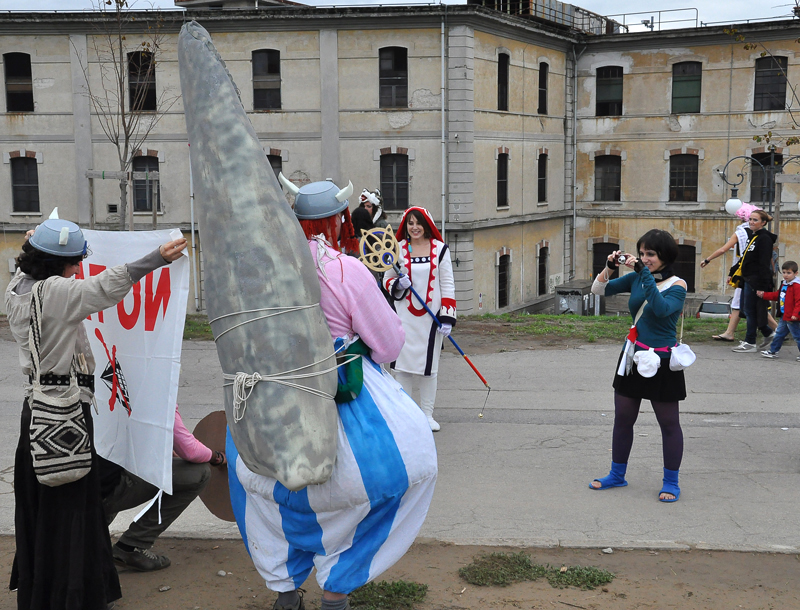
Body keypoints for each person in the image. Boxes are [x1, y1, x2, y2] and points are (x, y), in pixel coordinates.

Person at [231, 180, 437, 610]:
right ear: (340, 220)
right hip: (341, 391)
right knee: (403, 471)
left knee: (262, 489)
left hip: (272, 399)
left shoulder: (262, 267)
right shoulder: (346, 269)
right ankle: (336, 590)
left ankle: (285, 592)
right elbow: (389, 345)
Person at [5, 218, 186, 610]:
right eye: (73, 262)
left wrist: (35, 242)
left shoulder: (17, 286)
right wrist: (156, 258)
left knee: (42, 508)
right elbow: (104, 286)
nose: (77, 268)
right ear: (54, 265)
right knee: (71, 510)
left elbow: (34, 264)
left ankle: (45, 592)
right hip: (65, 413)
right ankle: (73, 596)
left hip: (35, 411)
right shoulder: (56, 292)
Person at [589, 229, 688, 502]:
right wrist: (610, 267)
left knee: (669, 424)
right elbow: (598, 290)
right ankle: (617, 475)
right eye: (642, 253)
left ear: (665, 256)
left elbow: (660, 309)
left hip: (663, 361)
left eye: (651, 254)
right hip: (632, 356)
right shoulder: (637, 277)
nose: (645, 258)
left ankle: (671, 482)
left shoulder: (678, 285)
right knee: (623, 419)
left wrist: (642, 272)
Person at [100, 405, 226, 572]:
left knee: (111, 458)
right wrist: (217, 457)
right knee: (199, 473)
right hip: (105, 489)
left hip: (75, 487)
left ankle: (88, 537)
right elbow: (189, 450)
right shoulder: (156, 393)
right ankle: (132, 546)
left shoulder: (98, 389)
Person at [383, 207, 456, 432]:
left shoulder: (441, 250)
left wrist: (447, 317)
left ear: (427, 225)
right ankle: (404, 414)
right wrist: (398, 284)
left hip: (431, 321)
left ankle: (426, 415)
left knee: (429, 368)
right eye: (410, 223)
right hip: (404, 318)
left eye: (418, 223)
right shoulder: (397, 249)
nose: (415, 227)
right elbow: (386, 279)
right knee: (402, 368)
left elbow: (447, 283)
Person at [732, 209, 777, 353]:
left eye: (755, 220)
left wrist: (762, 286)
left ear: (763, 223)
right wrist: (733, 273)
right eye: (750, 219)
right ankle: (768, 333)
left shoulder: (764, 239)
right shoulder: (754, 236)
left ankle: (750, 342)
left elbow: (764, 263)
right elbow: (746, 259)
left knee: (750, 311)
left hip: (756, 280)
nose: (751, 222)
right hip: (748, 278)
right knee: (748, 310)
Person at [757, 260, 800, 360]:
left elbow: (799, 301)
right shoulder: (784, 284)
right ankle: (773, 351)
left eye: (789, 273)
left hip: (792, 317)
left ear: (795, 273)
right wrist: (764, 295)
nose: (786, 275)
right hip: (785, 315)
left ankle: (773, 351)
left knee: (797, 336)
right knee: (779, 334)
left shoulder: (796, 286)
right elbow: (777, 295)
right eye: (784, 272)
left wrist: (796, 314)